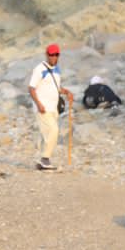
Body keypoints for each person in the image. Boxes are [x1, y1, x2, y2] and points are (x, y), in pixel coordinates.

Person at [26, 43, 73, 172]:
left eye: (56, 54)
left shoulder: (57, 70)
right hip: (43, 108)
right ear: (47, 55)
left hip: (54, 108)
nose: (54, 57)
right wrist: (39, 104)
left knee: (46, 134)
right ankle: (45, 160)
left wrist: (67, 92)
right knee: (53, 130)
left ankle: (41, 161)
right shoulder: (39, 69)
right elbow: (31, 88)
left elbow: (56, 87)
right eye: (52, 54)